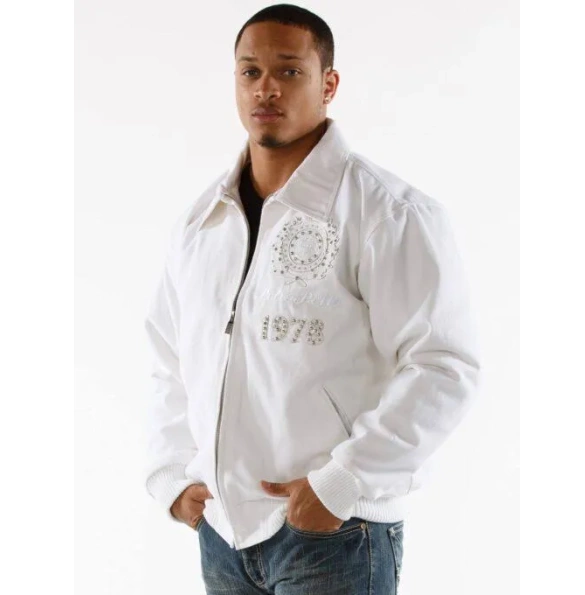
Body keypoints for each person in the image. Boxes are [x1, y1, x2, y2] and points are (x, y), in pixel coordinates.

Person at [143, 4, 481, 593]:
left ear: (329, 84)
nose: (266, 88)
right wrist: (171, 474)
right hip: (222, 533)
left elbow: (443, 366)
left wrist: (342, 483)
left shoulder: (387, 213)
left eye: (289, 71)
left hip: (335, 535)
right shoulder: (202, 223)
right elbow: (169, 356)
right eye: (250, 72)